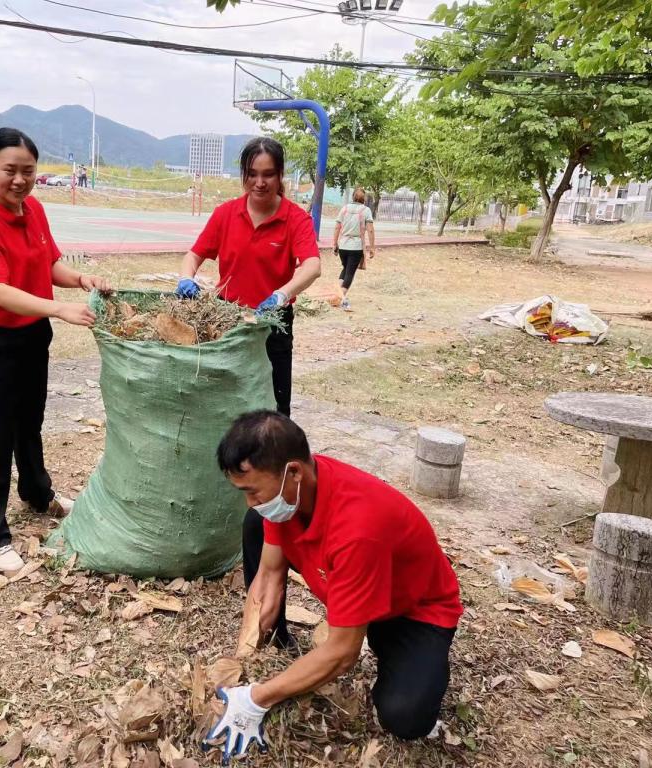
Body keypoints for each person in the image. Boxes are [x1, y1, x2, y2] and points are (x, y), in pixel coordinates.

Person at [206, 411, 462, 761]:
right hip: (354, 578)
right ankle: (279, 643)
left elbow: (343, 654)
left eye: (251, 490)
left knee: (405, 716)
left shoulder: (357, 530)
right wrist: (245, 665)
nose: (249, 500)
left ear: (293, 472)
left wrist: (258, 699)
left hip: (411, 608)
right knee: (256, 522)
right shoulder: (290, 493)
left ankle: (403, 659)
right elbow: (267, 579)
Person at [0, 127, 112, 575]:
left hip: (31, 336)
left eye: (28, 171)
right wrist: (59, 308)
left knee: (29, 422)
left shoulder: (35, 211)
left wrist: (80, 280)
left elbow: (48, 264)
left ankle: (36, 492)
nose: (20, 179)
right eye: (10, 170)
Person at [176, 137, 321, 417]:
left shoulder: (295, 219)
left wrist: (282, 294)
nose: (260, 182)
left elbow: (312, 266)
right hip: (228, 320)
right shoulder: (226, 214)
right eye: (252, 174)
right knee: (225, 401)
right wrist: (186, 278)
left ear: (280, 176)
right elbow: (193, 255)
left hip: (272, 323)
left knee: (274, 408)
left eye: (268, 174)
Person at [332, 186, 375, 309]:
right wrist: (372, 247)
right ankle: (339, 298)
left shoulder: (344, 209)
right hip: (356, 247)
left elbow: (337, 227)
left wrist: (334, 244)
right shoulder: (366, 210)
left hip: (343, 245)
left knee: (345, 268)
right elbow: (370, 230)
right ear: (364, 199)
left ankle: (338, 294)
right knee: (350, 272)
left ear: (353, 197)